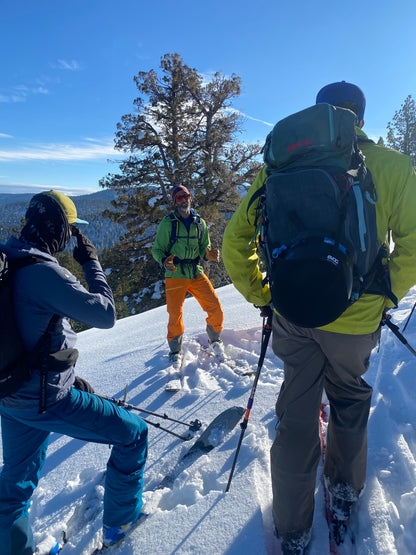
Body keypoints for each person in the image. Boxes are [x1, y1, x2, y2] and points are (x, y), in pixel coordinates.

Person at [222, 82, 416, 554]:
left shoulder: (280, 166)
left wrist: (266, 296)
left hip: (293, 314)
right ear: (360, 119)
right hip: (355, 320)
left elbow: (233, 243)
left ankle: (291, 528)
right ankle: (344, 494)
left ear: (317, 118)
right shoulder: (391, 166)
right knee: (348, 402)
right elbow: (412, 244)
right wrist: (386, 293)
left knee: (296, 414)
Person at [0, 190, 148, 554]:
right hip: (46, 400)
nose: (71, 237)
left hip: (10, 394)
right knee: (133, 435)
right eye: (70, 229)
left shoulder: (9, 257)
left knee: (13, 490)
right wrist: (91, 263)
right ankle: (120, 523)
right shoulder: (45, 273)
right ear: (58, 229)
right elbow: (105, 315)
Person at [152, 184, 224, 362]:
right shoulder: (168, 223)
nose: (184, 200)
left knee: (215, 307)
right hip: (175, 273)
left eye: (186, 196)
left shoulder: (199, 222)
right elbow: (157, 249)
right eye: (179, 197)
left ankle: (215, 340)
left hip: (195, 271)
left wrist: (208, 254)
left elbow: (203, 247)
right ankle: (175, 351)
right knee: (174, 315)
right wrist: (163, 260)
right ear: (174, 202)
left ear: (190, 198)